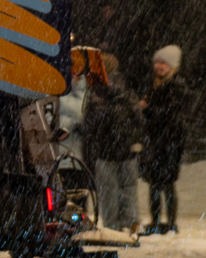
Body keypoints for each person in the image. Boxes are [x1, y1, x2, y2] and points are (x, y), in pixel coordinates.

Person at [81, 52, 144, 233]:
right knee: (129, 189)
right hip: (126, 150)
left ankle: (112, 226)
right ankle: (131, 222)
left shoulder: (95, 92)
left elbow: (90, 124)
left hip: (105, 150)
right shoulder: (128, 91)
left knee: (108, 191)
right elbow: (138, 119)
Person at [140, 44, 191, 235]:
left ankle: (169, 222)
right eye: (158, 62)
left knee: (166, 183)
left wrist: (148, 108)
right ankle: (156, 221)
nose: (160, 66)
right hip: (156, 141)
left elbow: (171, 113)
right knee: (154, 183)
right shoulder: (154, 84)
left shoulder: (176, 85)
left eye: (164, 63)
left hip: (169, 142)